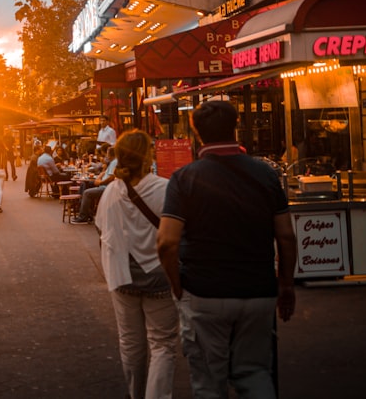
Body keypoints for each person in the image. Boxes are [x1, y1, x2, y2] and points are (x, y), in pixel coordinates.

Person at [157, 100, 297, 399]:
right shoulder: (266, 174)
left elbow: (167, 241)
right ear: (236, 128)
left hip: (205, 291)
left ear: (197, 134)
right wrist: (285, 284)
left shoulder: (185, 178)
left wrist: (176, 285)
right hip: (258, 290)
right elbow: (286, 236)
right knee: (255, 372)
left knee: (209, 381)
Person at [99, 130, 178, 399]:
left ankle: (135, 394)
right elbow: (176, 235)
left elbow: (103, 232)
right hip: (159, 273)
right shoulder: (165, 188)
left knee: (130, 342)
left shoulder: (111, 191)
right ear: (148, 156)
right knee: (163, 344)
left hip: (122, 276)